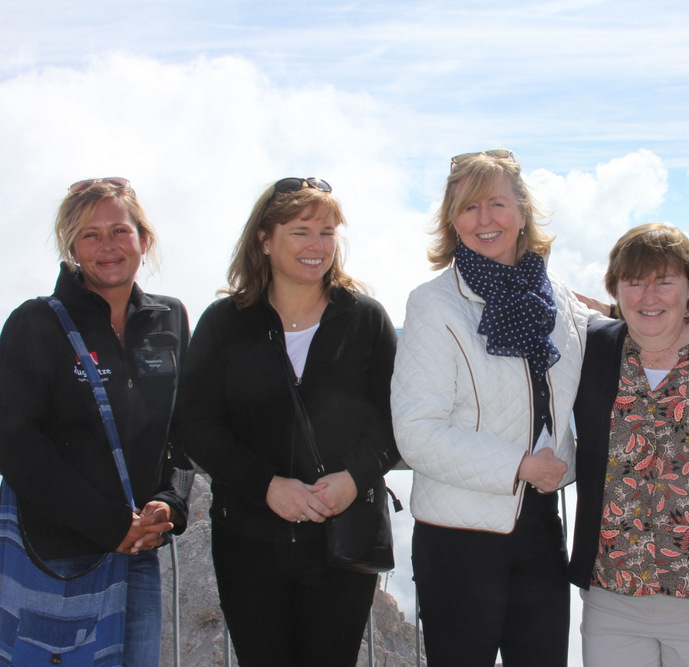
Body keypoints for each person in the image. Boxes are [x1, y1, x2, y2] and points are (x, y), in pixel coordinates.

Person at [174, 177, 398, 667]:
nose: (317, 245)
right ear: (264, 239)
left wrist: (353, 478)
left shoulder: (365, 320)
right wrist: (266, 486)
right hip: (248, 543)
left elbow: (395, 420)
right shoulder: (225, 322)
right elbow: (195, 425)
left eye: (327, 232)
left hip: (341, 542)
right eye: (300, 231)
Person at [391, 150, 593, 667]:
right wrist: (519, 466)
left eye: (498, 203)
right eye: (469, 206)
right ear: (452, 220)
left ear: (523, 212)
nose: (485, 219)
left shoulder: (555, 298)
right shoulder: (434, 304)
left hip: (540, 526)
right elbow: (417, 433)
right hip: (458, 542)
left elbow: (633, 326)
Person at [0, 177, 192, 665]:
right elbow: (15, 443)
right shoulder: (36, 323)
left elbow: (183, 430)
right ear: (72, 248)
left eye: (120, 231)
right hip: (58, 554)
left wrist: (171, 503)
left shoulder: (169, 319)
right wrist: (106, 523)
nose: (108, 245)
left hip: (138, 554)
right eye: (90, 234)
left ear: (143, 239)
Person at [568, 223, 689, 666]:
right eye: (634, 282)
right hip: (613, 594)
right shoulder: (593, 350)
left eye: (664, 281)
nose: (648, 296)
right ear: (616, 291)